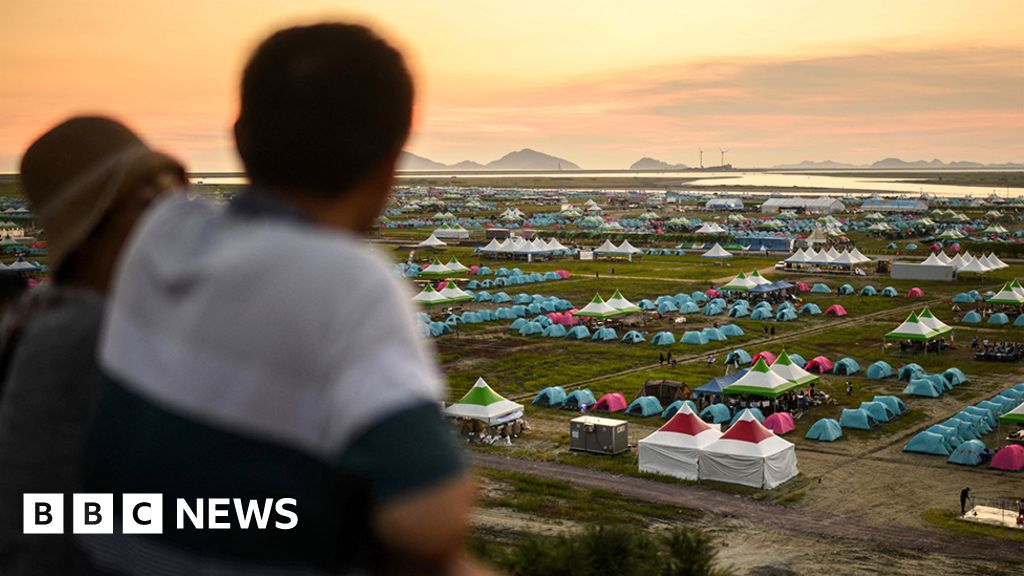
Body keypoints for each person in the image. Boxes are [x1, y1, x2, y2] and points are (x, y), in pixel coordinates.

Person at [77, 24, 479, 575]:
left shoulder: (159, 233)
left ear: (239, 139)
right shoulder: (347, 279)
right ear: (392, 160)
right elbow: (429, 522)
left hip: (105, 550)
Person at [0, 117, 186, 575]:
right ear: (90, 232)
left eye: (174, 191)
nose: (172, 215)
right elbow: (41, 516)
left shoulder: (54, 314)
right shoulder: (84, 332)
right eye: (146, 200)